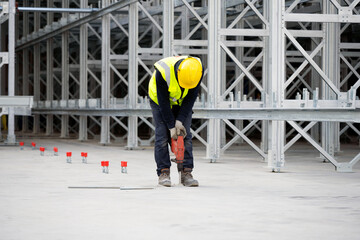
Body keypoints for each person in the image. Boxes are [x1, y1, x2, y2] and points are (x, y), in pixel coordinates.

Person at [148, 56, 203, 187]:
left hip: (182, 102)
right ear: (178, 72)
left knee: (186, 136)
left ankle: (186, 173)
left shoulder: (196, 70)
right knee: (162, 136)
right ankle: (163, 172)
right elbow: (164, 103)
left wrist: (180, 120)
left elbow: (190, 98)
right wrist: (171, 126)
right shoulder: (163, 71)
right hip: (159, 101)